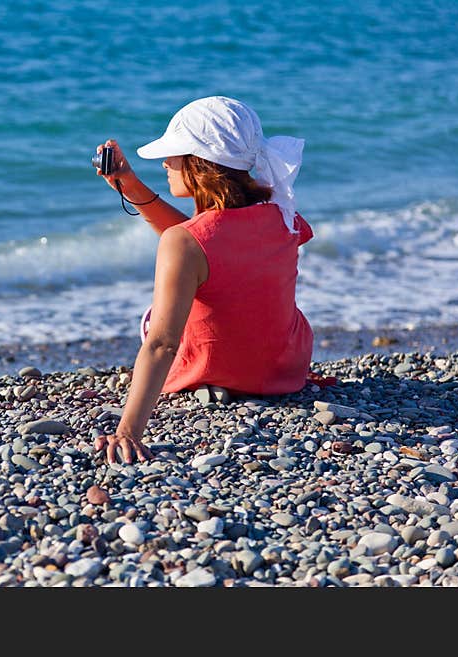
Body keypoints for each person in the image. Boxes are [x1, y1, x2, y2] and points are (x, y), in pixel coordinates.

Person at [93, 96, 314, 464]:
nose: (165, 163)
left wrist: (127, 430)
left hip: (220, 370)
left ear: (198, 164)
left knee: (153, 321)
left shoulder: (184, 243)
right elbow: (209, 244)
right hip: (284, 371)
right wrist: (130, 186)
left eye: (173, 154)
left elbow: (163, 343)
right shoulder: (281, 215)